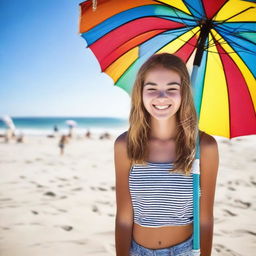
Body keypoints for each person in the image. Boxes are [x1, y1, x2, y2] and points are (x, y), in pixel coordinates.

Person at [114, 53, 219, 256]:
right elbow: (124, 217)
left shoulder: (204, 147)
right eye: (152, 88)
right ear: (140, 93)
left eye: (172, 89)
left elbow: (205, 219)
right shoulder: (125, 145)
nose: (161, 97)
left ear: (184, 94)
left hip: (186, 251)